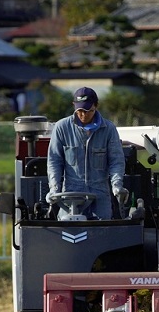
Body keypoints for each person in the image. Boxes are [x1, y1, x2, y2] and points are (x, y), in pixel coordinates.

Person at [46, 87, 126, 220]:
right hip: (71, 193)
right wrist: (54, 188)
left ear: (96, 106)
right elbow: (54, 161)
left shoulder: (109, 129)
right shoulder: (62, 128)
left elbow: (116, 161)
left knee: (103, 230)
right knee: (68, 231)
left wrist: (116, 185)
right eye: (80, 111)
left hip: (100, 192)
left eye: (88, 111)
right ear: (74, 106)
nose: (83, 115)